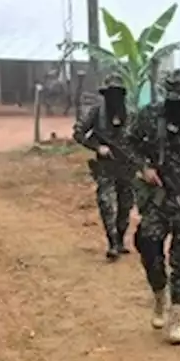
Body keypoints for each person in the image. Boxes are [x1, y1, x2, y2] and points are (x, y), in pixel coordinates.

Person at [124, 68, 180, 345]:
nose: (177, 103)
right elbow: (129, 143)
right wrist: (144, 167)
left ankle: (176, 318)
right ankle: (158, 292)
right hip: (157, 198)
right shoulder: (149, 117)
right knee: (148, 245)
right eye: (172, 97)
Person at [73, 72, 136, 260]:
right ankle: (112, 243)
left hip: (127, 168)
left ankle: (121, 239)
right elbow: (78, 133)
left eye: (117, 93)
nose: (113, 98)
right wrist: (97, 147)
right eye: (110, 94)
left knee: (126, 206)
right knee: (107, 204)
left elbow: (141, 139)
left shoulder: (131, 115)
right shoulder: (96, 112)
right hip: (106, 167)